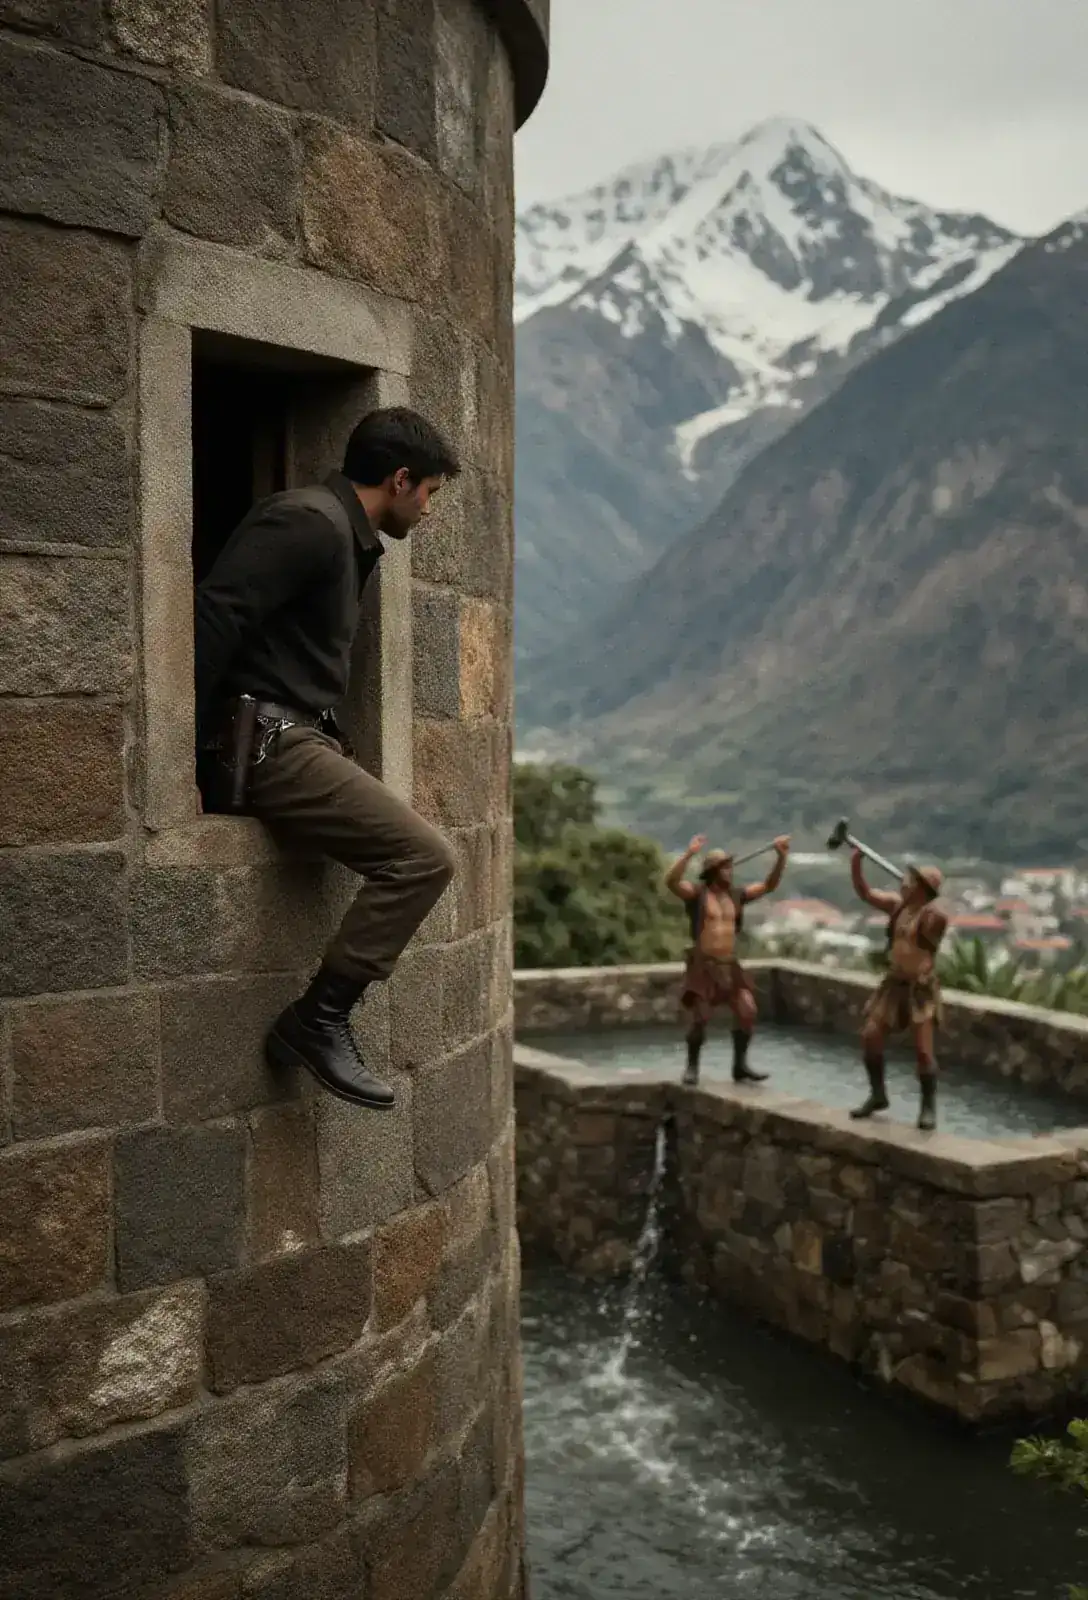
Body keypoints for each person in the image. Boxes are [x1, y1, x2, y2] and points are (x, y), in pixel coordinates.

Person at [193, 408, 461, 1111]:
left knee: (418, 848)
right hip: (268, 741)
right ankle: (317, 1019)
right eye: (429, 492)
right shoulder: (307, 520)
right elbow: (216, 617)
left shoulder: (345, 535)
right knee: (424, 857)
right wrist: (186, 758)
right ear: (400, 480)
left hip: (293, 734)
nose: (428, 509)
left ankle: (316, 1021)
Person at [665, 834, 791, 1087]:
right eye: (724, 867)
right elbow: (671, 881)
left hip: (729, 964)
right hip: (704, 963)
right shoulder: (697, 894)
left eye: (730, 866)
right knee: (701, 1017)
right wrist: (689, 854)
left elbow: (769, 885)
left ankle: (740, 1066)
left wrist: (781, 858)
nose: (730, 871)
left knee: (748, 1010)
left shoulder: (737, 895)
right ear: (713, 871)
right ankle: (692, 1067)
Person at [848, 851, 947, 1130]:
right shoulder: (896, 907)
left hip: (920, 988)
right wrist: (856, 865)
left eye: (909, 880)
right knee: (870, 1036)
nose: (902, 882)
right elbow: (865, 892)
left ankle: (928, 1108)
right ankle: (878, 1095)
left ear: (921, 888)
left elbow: (940, 921)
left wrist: (932, 902)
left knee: (924, 1052)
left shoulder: (931, 916)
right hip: (894, 984)